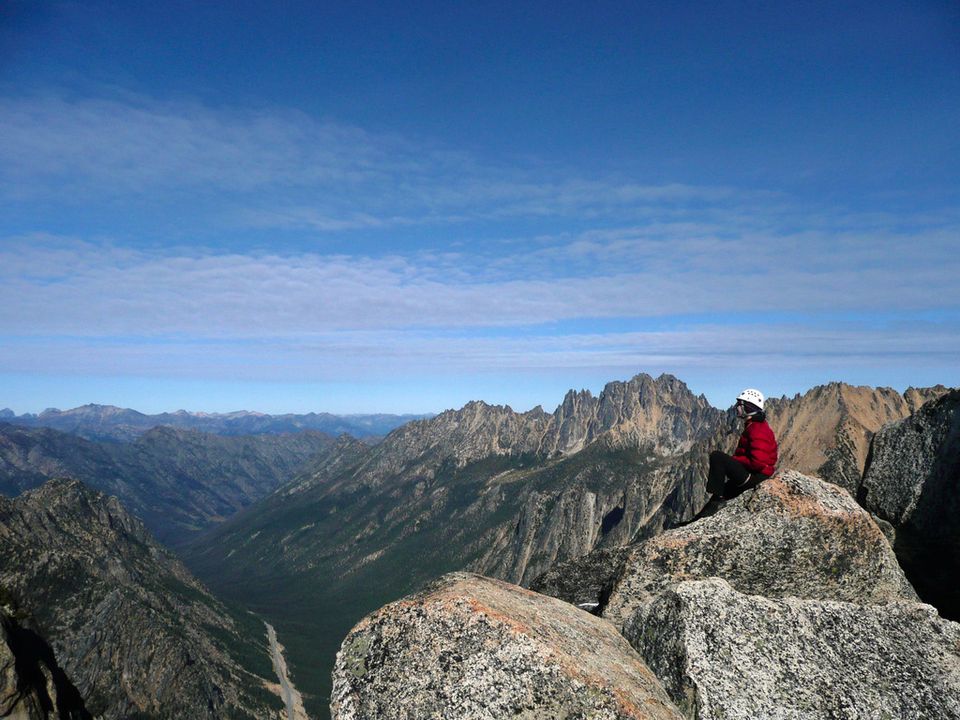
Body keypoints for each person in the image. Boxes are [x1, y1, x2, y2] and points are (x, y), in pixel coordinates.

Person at [706, 388, 778, 501]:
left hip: (755, 477)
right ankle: (702, 516)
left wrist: (736, 460)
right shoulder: (755, 425)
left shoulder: (757, 429)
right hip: (755, 474)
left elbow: (758, 462)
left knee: (717, 457)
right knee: (722, 492)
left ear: (748, 407)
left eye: (739, 405)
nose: (736, 407)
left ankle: (716, 502)